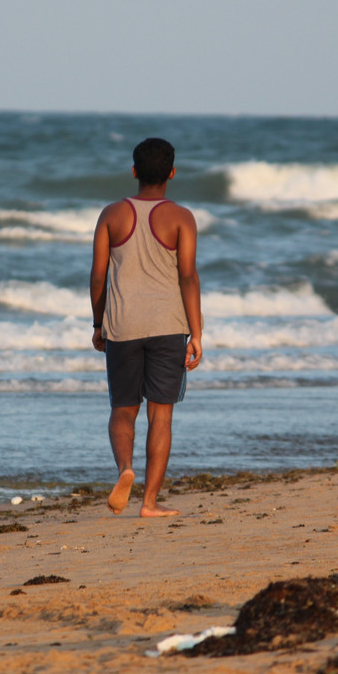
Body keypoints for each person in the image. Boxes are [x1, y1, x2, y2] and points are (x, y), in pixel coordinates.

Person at [90, 138, 203, 517]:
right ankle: (150, 503)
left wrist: (97, 324)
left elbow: (97, 277)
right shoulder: (182, 217)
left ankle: (125, 469)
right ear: (172, 172)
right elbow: (187, 276)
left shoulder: (112, 215)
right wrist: (197, 333)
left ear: (134, 171)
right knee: (161, 415)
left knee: (123, 410)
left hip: (122, 325)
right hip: (168, 326)